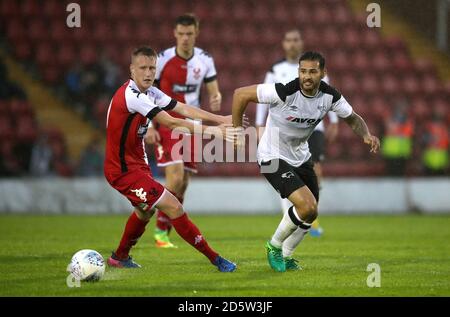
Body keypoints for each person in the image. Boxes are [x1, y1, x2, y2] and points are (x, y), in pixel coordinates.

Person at [232, 51, 380, 272]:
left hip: (301, 156)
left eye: (312, 71)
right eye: (303, 71)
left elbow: (352, 117)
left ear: (323, 73)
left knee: (311, 213)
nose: (307, 76)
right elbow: (240, 94)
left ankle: (288, 255)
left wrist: (366, 135)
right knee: (306, 205)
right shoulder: (284, 91)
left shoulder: (330, 96)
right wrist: (236, 130)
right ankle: (274, 246)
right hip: (271, 155)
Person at [104, 46, 236, 272]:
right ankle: (216, 259)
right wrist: (216, 132)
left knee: (144, 211)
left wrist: (220, 119)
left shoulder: (151, 92)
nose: (148, 73)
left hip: (138, 165)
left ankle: (119, 257)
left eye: (152, 68)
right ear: (131, 70)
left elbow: (183, 108)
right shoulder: (132, 96)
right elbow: (172, 122)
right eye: (143, 68)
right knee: (173, 206)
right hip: (122, 171)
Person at [145, 14, 222, 248]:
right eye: (181, 33)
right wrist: (149, 125)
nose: (185, 38)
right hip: (167, 123)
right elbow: (147, 93)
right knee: (176, 178)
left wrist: (216, 98)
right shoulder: (163, 59)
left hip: (192, 128)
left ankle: (165, 228)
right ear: (174, 33)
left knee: (183, 183)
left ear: (196, 32)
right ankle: (159, 231)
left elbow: (213, 91)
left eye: (189, 33)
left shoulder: (205, 60)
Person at [255, 29, 338, 237]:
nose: (292, 44)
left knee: (315, 169)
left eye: (296, 40)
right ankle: (294, 214)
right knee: (286, 172)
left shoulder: (314, 67)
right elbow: (263, 96)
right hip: (283, 128)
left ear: (301, 43)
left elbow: (330, 94)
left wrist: (334, 120)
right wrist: (259, 125)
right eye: (288, 40)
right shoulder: (276, 69)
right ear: (283, 44)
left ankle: (311, 213)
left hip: (313, 127)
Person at [381, 99, 413, 176]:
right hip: (391, 150)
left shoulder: (407, 121)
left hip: (402, 151)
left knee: (400, 173)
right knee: (391, 172)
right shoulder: (389, 119)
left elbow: (408, 133)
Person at [421, 111, 449, 176]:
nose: (437, 125)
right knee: (429, 179)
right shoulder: (428, 130)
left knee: (440, 181)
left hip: (441, 162)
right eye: (435, 122)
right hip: (429, 162)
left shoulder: (445, 131)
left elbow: (446, 145)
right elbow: (423, 142)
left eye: (438, 122)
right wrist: (432, 139)